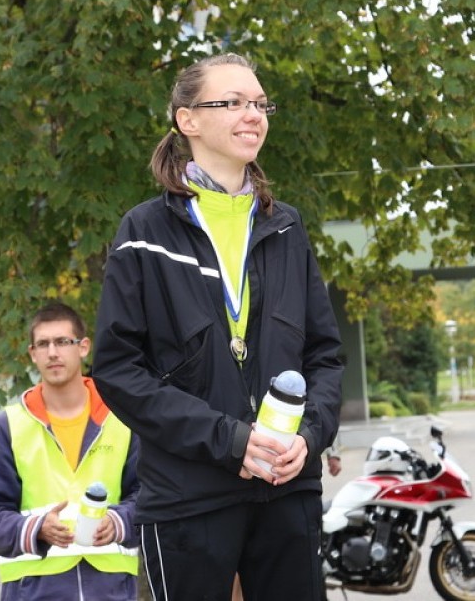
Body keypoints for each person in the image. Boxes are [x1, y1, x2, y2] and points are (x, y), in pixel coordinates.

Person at [91, 52, 344, 601]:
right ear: (188, 120)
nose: (252, 114)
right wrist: (230, 441)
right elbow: (117, 370)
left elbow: (325, 355)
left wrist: (311, 436)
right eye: (231, 102)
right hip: (189, 497)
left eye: (258, 103)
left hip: (287, 491)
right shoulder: (144, 230)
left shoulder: (286, 226)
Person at [0, 302, 140, 601]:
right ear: (32, 354)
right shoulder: (7, 427)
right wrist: (35, 528)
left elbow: (153, 496)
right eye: (43, 344)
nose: (53, 352)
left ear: (83, 347)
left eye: (62, 342)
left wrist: (119, 522)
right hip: (32, 592)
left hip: (111, 591)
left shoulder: (123, 418)